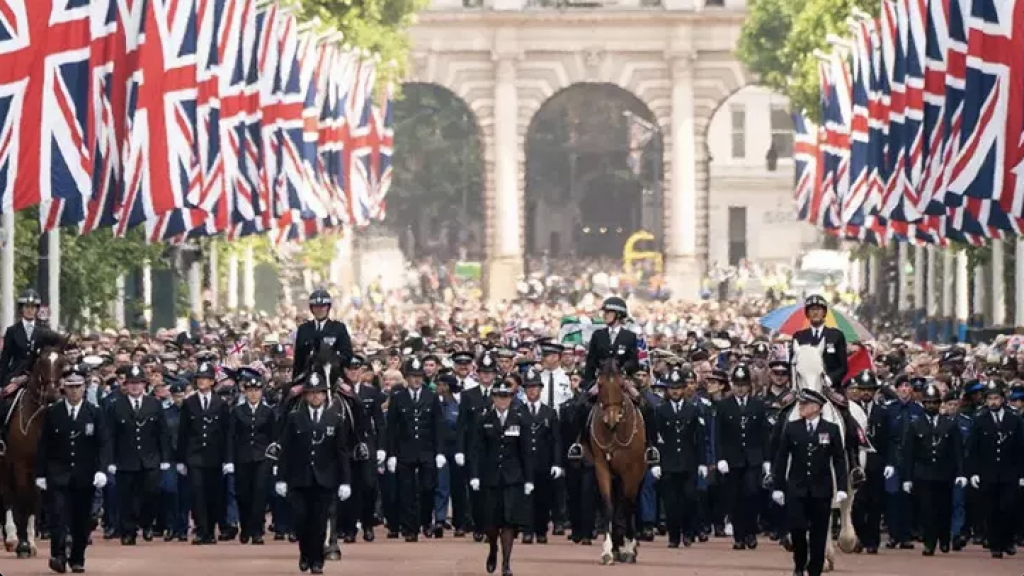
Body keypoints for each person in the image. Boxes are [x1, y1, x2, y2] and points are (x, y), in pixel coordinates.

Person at [275, 371, 352, 574]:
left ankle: (317, 560)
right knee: (301, 520)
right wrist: (281, 478)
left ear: (325, 395)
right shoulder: (294, 418)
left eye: (319, 393)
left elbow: (341, 452)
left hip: (325, 478)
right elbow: (286, 449)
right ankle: (304, 553)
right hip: (299, 478)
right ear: (305, 395)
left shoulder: (335, 418)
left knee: (319, 522)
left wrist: (345, 481)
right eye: (311, 393)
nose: (315, 396)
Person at [35, 364, 109, 574]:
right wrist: (40, 474)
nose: (74, 390)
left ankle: (77, 558)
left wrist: (102, 469)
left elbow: (103, 443)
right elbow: (44, 445)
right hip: (58, 473)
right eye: (70, 386)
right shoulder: (53, 412)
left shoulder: (95, 412)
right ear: (63, 388)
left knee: (81, 520)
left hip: (84, 475)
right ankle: (58, 555)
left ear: (84, 387)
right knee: (58, 516)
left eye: (78, 386)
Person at [570, 296, 658, 465]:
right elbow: (591, 361)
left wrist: (624, 369)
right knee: (580, 405)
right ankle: (578, 442)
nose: (605, 315)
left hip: (623, 379)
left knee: (649, 406)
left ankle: (651, 447)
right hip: (602, 379)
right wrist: (588, 383)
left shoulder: (629, 336)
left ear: (618, 315)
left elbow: (635, 360)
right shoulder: (598, 335)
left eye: (608, 312)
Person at [771, 388, 848, 576]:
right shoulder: (792, 427)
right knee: (797, 528)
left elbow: (838, 459)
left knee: (819, 533)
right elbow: (781, 458)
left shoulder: (831, 429)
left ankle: (815, 569)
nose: (800, 407)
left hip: (821, 489)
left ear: (816, 407)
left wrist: (842, 487)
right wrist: (778, 486)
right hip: (797, 488)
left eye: (804, 404)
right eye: (800, 404)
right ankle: (799, 563)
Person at [468, 375, 534, 576]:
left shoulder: (520, 419)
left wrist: (529, 479)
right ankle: (493, 549)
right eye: (498, 397)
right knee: (491, 521)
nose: (502, 400)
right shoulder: (483, 419)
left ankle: (506, 563)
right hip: (490, 477)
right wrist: (475, 475)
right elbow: (476, 449)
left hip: (513, 478)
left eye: (506, 397)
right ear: (493, 398)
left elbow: (526, 452)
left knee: (509, 521)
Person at [103, 364, 171, 545]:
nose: (135, 386)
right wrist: (109, 460)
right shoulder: (116, 406)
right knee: (126, 498)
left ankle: (147, 523)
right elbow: (109, 435)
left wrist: (165, 458)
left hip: (150, 459)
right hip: (125, 459)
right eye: (131, 383)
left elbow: (163, 433)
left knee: (151, 494)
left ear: (144, 385)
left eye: (139, 383)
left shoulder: (154, 404)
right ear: (125, 385)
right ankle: (128, 531)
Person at [898, 384, 965, 556]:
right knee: (926, 510)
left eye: (934, 402)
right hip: (923, 473)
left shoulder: (949, 424)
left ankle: (944, 538)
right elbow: (909, 453)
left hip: (944, 473)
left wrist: (961, 473)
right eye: (928, 403)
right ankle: (929, 542)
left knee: (944, 508)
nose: (931, 406)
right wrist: (907, 478)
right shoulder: (915, 425)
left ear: (939, 403)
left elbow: (958, 451)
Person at [385, 357, 446, 541]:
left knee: (428, 487)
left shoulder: (431, 396)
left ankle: (426, 522)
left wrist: (440, 452)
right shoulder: (398, 398)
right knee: (406, 491)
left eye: (419, 376)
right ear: (406, 378)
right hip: (405, 450)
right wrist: (391, 454)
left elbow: (438, 425)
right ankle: (410, 528)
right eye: (412, 376)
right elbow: (392, 428)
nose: (416, 380)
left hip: (427, 450)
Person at [649, 367, 709, 548]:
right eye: (672, 387)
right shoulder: (660, 410)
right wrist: (656, 463)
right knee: (670, 502)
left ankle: (688, 532)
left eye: (678, 387)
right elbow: (654, 438)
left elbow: (700, 438)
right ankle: (674, 536)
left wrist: (702, 463)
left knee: (690, 499)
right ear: (667, 390)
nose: (675, 391)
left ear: (684, 389)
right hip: (668, 463)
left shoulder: (694, 410)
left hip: (688, 462)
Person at [715, 363, 771, 550]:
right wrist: (720, 458)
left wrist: (767, 460)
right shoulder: (724, 406)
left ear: (749, 385)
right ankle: (739, 536)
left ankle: (750, 533)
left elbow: (764, 434)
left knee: (752, 494)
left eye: (743, 384)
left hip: (753, 457)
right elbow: (719, 435)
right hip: (732, 459)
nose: (740, 388)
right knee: (735, 498)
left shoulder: (758, 405)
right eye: (737, 384)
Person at [177, 360, 232, 544]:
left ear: (212, 381)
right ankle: (202, 531)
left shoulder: (221, 403)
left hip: (215, 456)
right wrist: (181, 460)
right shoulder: (189, 403)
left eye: (206, 378)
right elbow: (183, 432)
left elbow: (226, 433)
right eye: (199, 378)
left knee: (214, 495)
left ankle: (211, 530)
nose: (202, 381)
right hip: (194, 456)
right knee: (197, 494)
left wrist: (227, 459)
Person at [968, 380, 1024, 559]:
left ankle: (1007, 541)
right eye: (990, 398)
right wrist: (974, 472)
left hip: (1009, 472)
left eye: (996, 398)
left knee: (1008, 507)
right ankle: (995, 544)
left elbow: (1021, 447)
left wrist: (1022, 473)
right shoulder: (979, 420)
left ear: (1003, 400)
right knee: (991, 509)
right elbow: (973, 448)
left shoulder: (1014, 419)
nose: (993, 402)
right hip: (988, 471)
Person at [227, 367, 276, 545]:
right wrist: (229, 460)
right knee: (243, 494)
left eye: (256, 390)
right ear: (245, 392)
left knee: (260, 494)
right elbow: (231, 437)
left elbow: (273, 437)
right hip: (243, 457)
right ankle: (245, 527)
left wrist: (275, 460)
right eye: (250, 391)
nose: (253, 394)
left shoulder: (268, 412)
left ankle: (257, 531)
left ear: (261, 392)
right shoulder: (237, 411)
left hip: (262, 458)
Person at [519, 368, 563, 544]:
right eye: (529, 387)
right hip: (523, 462)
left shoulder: (549, 412)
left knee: (543, 498)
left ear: (540, 389)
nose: (532, 390)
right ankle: (527, 530)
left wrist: (557, 463)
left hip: (544, 462)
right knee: (525, 499)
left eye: (535, 387)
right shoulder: (518, 411)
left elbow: (556, 440)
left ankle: (541, 530)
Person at [292, 289, 354, 381]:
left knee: (350, 394)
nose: (319, 309)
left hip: (334, 377)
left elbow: (348, 355)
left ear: (328, 307)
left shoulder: (339, 328)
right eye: (316, 306)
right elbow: (298, 360)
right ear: (311, 308)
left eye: (323, 306)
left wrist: (333, 358)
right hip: (308, 378)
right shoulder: (303, 329)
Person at [791, 295, 848, 389]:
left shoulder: (836, 335)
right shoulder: (799, 336)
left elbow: (843, 367)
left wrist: (830, 379)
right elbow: (794, 364)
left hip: (831, 387)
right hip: (805, 386)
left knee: (843, 403)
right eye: (812, 309)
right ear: (807, 313)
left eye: (818, 309)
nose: (815, 312)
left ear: (824, 312)